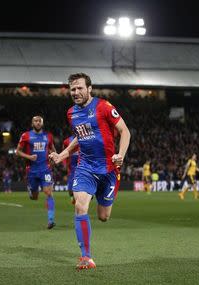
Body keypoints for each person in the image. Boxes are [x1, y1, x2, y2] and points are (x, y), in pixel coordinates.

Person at [49, 73, 131, 270]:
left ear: (89, 88)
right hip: (85, 167)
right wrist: (63, 154)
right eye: (72, 89)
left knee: (103, 216)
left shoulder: (104, 107)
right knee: (80, 206)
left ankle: (96, 196)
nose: (75, 92)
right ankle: (86, 257)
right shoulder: (71, 113)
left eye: (79, 88)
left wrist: (121, 154)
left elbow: (125, 131)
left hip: (109, 169)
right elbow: (79, 136)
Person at [16, 116, 57, 229]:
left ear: (42, 123)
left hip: (45, 169)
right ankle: (31, 190)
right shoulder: (26, 136)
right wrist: (29, 157)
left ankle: (50, 220)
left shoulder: (48, 136)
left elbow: (53, 150)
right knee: (34, 197)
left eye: (40, 121)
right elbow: (17, 151)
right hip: (32, 170)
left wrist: (54, 157)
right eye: (36, 121)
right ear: (32, 123)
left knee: (48, 192)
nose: (38, 123)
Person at [62, 135, 79, 204]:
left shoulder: (87, 138)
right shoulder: (66, 141)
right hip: (72, 168)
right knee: (70, 190)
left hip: (83, 166)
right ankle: (73, 197)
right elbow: (63, 152)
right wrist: (64, 164)